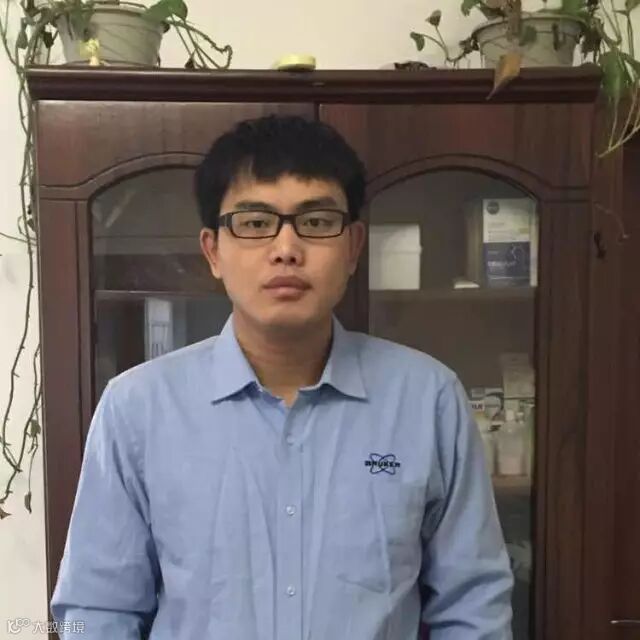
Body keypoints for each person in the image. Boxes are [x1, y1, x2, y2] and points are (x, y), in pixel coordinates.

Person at [50, 114, 514, 639]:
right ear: (213, 251)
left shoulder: (427, 399)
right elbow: (96, 611)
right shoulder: (137, 408)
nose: (286, 248)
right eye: (254, 223)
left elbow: (474, 608)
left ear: (354, 247)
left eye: (315, 222)